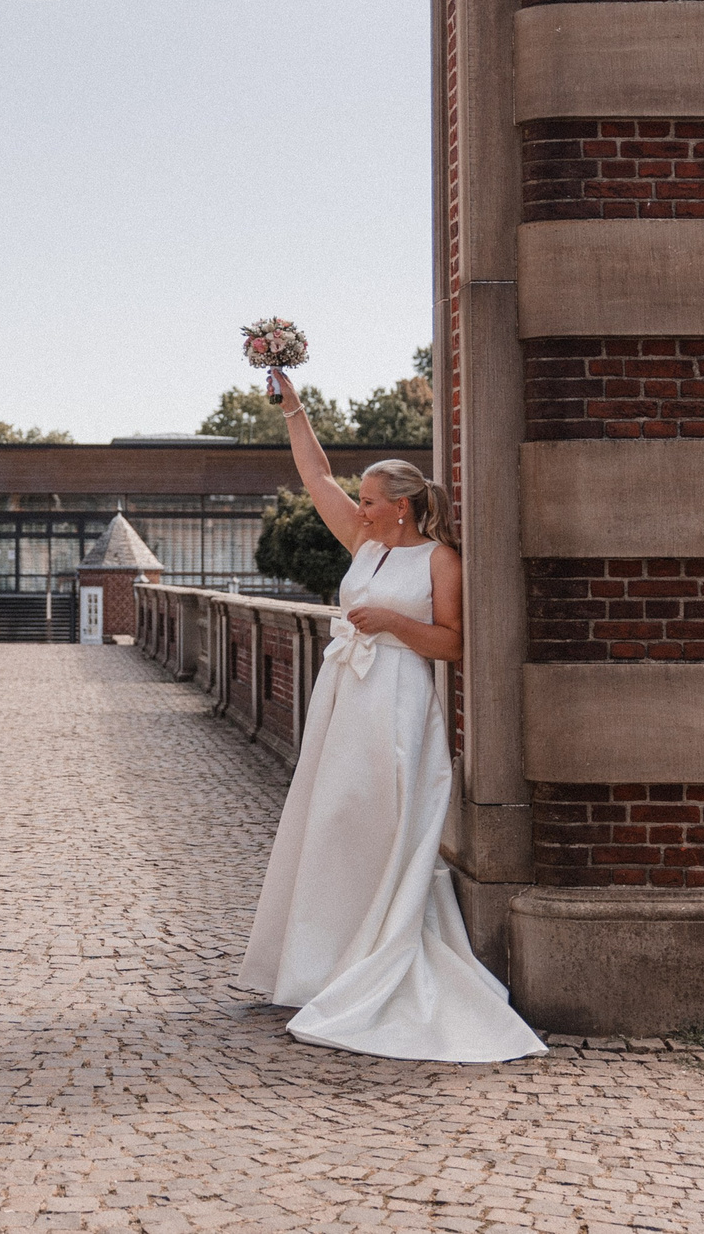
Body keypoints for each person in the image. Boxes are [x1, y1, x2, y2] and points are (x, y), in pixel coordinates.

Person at [235, 366, 545, 1061]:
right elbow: (316, 480)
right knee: (335, 815)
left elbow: (455, 644)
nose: (361, 505)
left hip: (400, 702)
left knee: (382, 820)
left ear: (399, 505)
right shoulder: (364, 544)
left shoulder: (440, 561)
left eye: (371, 499)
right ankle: (321, 959)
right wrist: (295, 411)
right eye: (363, 498)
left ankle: (378, 949)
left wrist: (391, 625)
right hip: (346, 697)